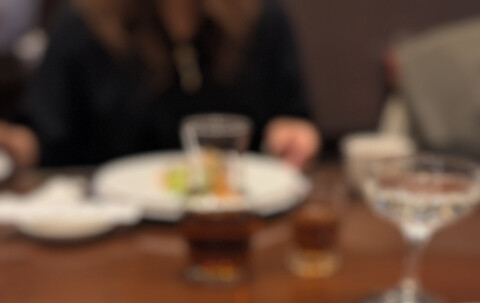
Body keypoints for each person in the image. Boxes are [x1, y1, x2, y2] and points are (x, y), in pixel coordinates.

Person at [0, 0, 320, 170]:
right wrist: (11, 142)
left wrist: (293, 137)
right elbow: (44, 140)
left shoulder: (261, 15)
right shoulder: (82, 24)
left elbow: (292, 118)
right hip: (114, 240)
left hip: (236, 225)